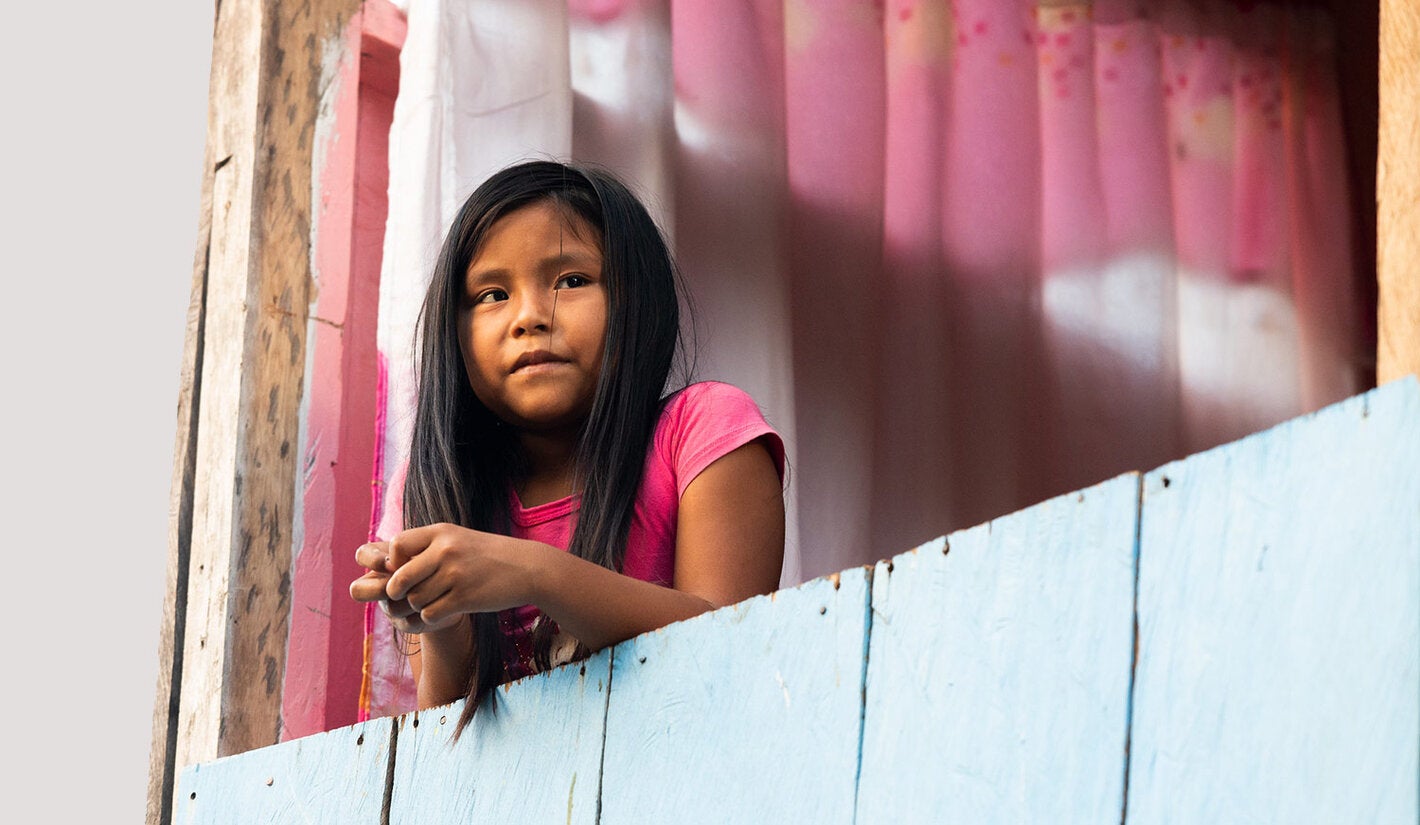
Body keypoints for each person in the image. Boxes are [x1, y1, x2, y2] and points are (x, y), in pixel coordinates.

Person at [349, 160, 786, 733]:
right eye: (492, 294)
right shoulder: (439, 483)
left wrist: (533, 573)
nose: (529, 317)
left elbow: (732, 643)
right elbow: (447, 739)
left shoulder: (702, 430)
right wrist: (440, 618)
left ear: (638, 301)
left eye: (572, 281)